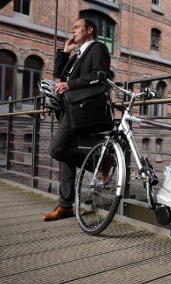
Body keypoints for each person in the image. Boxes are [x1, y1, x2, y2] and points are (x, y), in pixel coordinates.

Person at [42, 18, 111, 221]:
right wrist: (65, 51)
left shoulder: (98, 48)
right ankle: (65, 206)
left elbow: (100, 75)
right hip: (68, 109)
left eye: (77, 28)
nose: (73, 31)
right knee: (65, 158)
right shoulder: (79, 54)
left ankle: (101, 161)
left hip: (82, 110)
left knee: (56, 150)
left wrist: (72, 85)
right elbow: (58, 75)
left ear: (89, 30)